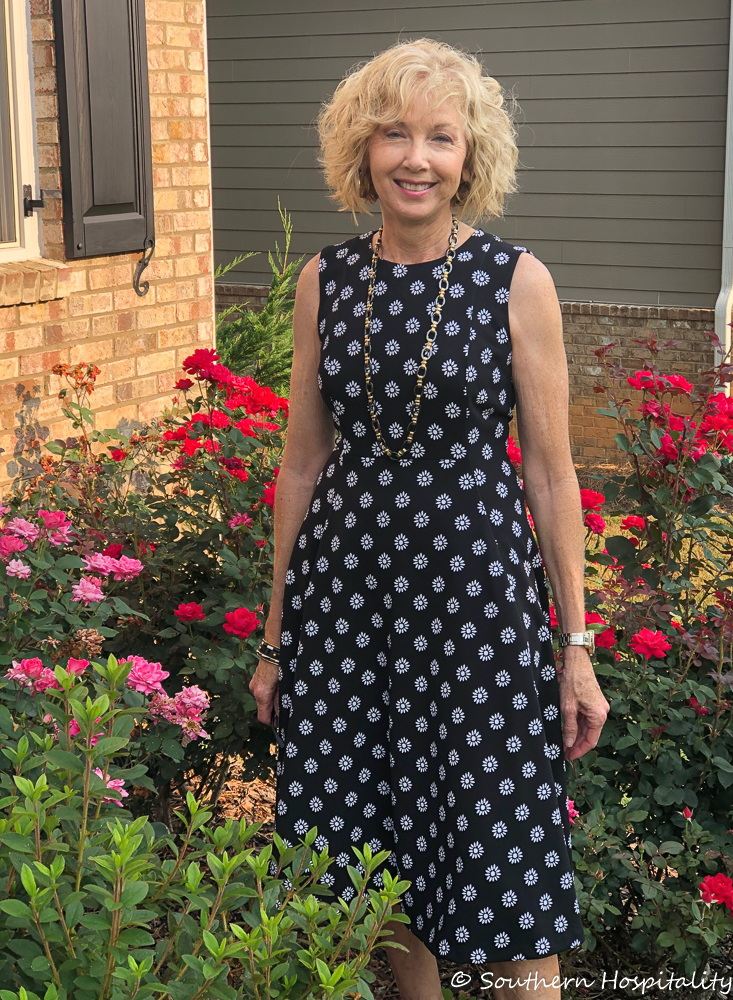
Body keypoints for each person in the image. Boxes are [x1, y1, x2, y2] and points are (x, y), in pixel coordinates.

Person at [249, 37, 610, 1000]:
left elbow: (548, 472)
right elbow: (299, 463)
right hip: (347, 609)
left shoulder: (513, 280)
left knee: (504, 851)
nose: (416, 157)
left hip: (477, 612)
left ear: (469, 156)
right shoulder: (324, 281)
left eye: (440, 137)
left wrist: (573, 646)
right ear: (361, 152)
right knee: (374, 863)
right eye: (394, 134)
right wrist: (278, 635)